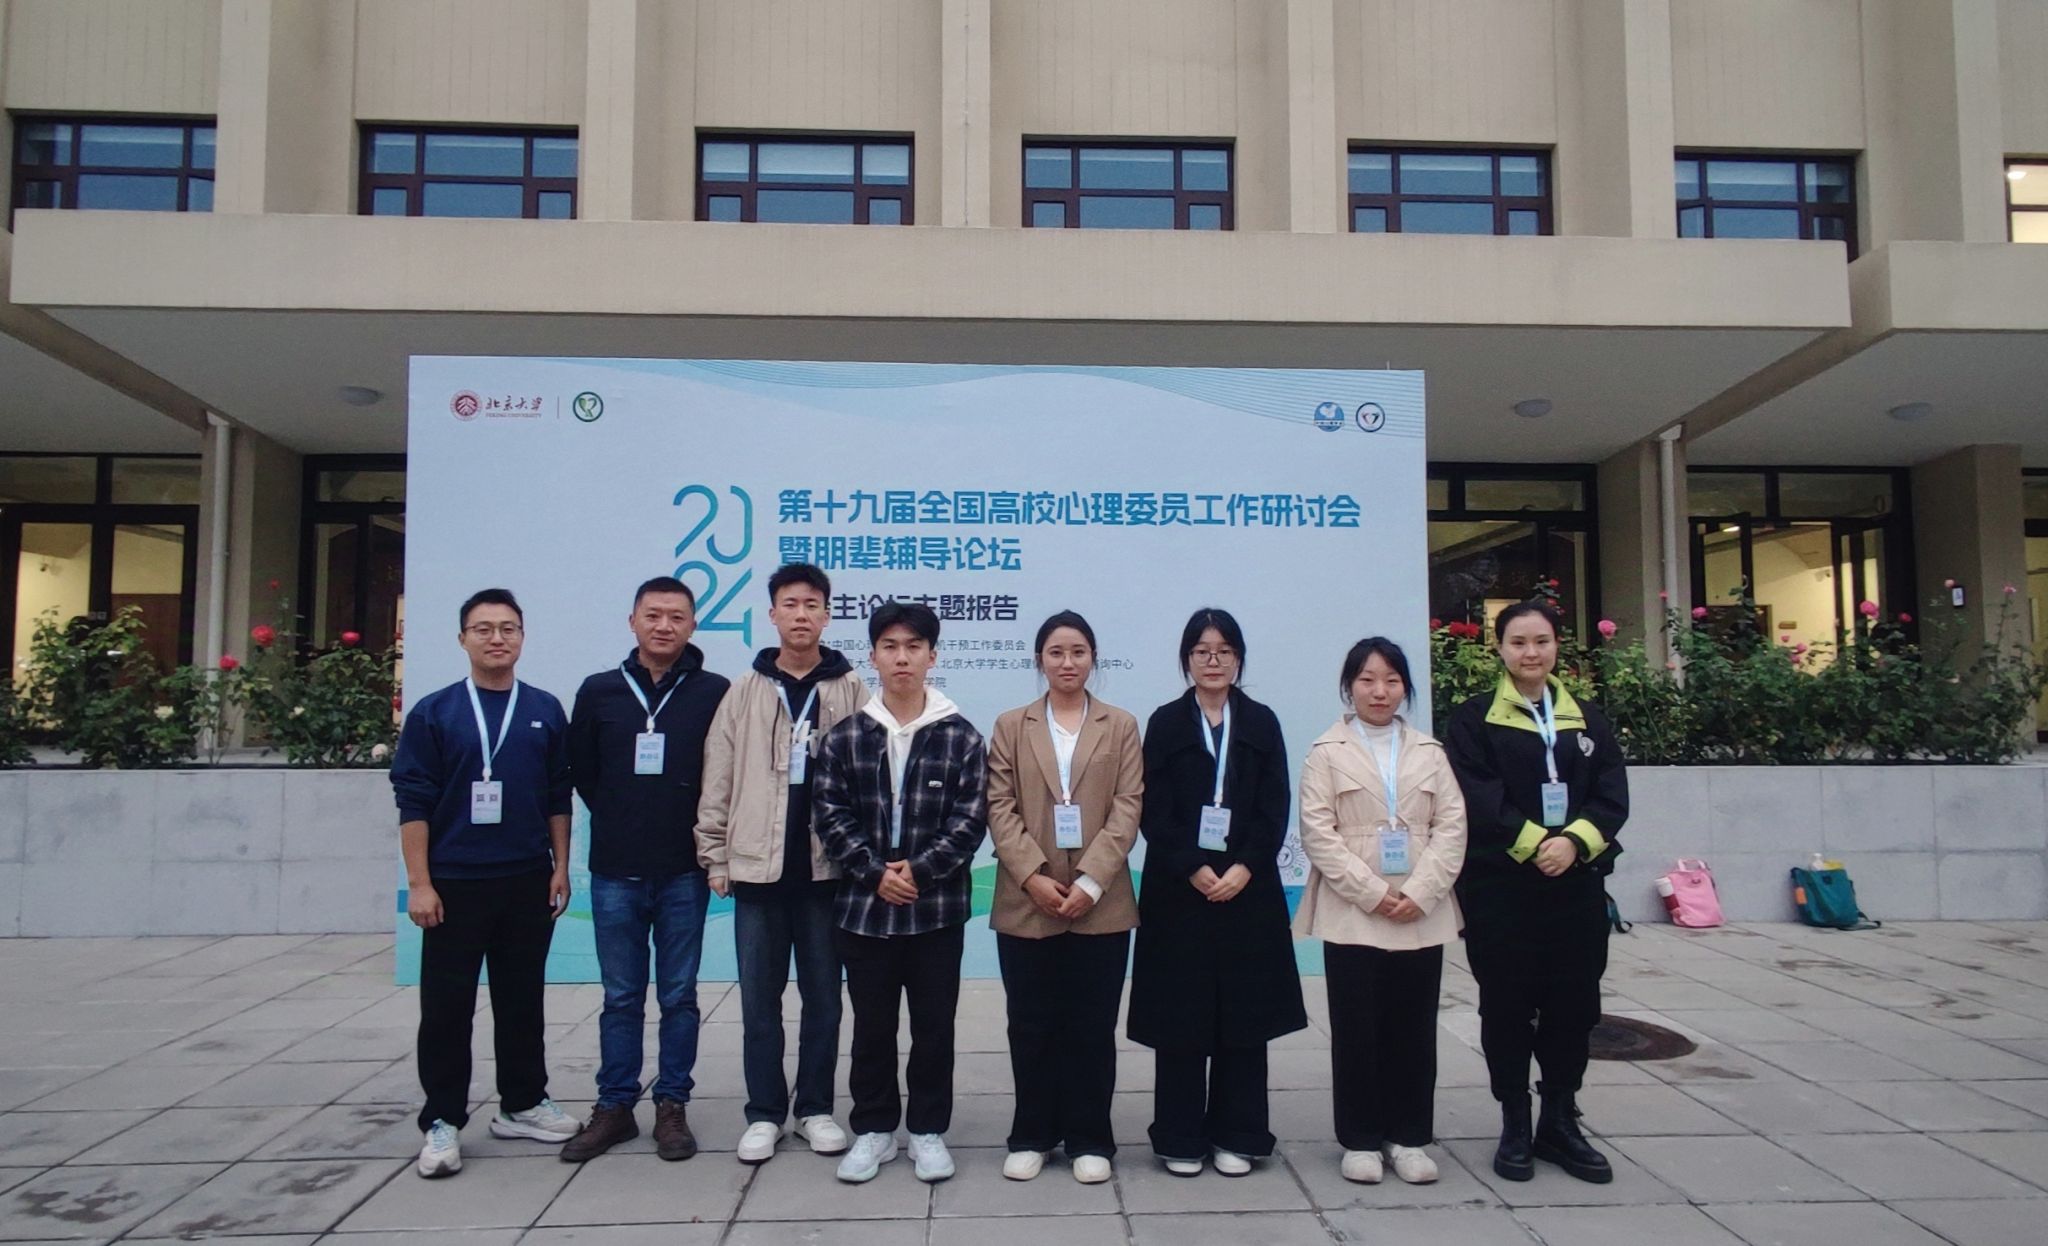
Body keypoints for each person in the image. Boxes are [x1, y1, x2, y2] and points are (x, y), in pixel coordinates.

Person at [392, 587, 579, 1179]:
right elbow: (413, 802)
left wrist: (560, 865)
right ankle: (443, 1119)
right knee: (446, 1008)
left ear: (522, 637)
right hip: (454, 882)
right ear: (463, 639)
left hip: (526, 878)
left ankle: (522, 1102)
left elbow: (558, 795)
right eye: (484, 629)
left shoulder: (544, 708)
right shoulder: (435, 712)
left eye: (508, 629)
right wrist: (420, 883)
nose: (497, 639)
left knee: (521, 1000)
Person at [1443, 600, 1628, 1185]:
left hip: (1575, 889)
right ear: (1499, 648)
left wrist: (1572, 843)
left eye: (1541, 641)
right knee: (1506, 1006)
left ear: (1556, 646)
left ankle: (1559, 1118)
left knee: (1574, 1006)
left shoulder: (1587, 720)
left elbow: (1611, 798)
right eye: (1519, 642)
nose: (1531, 653)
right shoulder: (1474, 719)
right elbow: (1476, 794)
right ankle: (1515, 1121)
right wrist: (1534, 843)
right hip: (1501, 891)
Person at [813, 601, 988, 1185]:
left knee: (934, 1027)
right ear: (873, 656)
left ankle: (928, 1130)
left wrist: (917, 871)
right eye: (890, 646)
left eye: (914, 647)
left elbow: (970, 820)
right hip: (864, 910)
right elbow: (830, 814)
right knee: (872, 1027)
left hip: (935, 910)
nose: (902, 658)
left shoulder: (961, 736)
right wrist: (874, 873)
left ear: (933, 656)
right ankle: (874, 1129)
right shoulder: (846, 737)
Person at [1127, 607, 1306, 1177]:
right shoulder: (1165, 722)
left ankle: (1239, 1133)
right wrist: (1192, 866)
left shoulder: (1261, 722)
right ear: (1187, 659)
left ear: (1238, 659)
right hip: (1180, 891)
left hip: (1247, 891)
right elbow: (1152, 807)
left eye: (1224, 651)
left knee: (1244, 1016)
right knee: (1181, 1016)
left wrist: (1247, 866)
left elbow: (1275, 804)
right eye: (1202, 651)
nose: (1213, 660)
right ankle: (1179, 1136)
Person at [696, 563, 864, 1165]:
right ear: (772, 615)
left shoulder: (851, 690)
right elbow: (718, 775)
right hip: (756, 873)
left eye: (812, 604)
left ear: (827, 615)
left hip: (827, 875)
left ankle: (815, 1109)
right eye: (790, 604)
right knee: (759, 1003)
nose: (801, 614)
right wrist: (714, 854)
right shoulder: (744, 691)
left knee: (825, 1001)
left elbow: (871, 778)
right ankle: (764, 1113)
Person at [558, 577, 731, 1163]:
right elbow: (582, 770)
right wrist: (621, 812)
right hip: (615, 870)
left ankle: (672, 1104)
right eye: (653, 615)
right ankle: (614, 1107)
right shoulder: (599, 691)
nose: (664, 626)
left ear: (693, 625)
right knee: (621, 995)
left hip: (685, 870)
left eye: (676, 617)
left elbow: (722, 773)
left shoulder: (715, 691)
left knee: (679, 995)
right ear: (632, 621)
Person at [1293, 637, 1466, 1185]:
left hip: (1420, 909)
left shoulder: (1429, 752)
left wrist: (1422, 891)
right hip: (1353, 910)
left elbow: (1453, 826)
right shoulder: (1326, 752)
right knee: (1356, 1028)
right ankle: (1361, 1140)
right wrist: (1372, 893)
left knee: (1413, 1027)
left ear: (1405, 689)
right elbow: (1318, 833)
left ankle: (1409, 1137)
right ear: (1350, 687)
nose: (1379, 691)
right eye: (1367, 680)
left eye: (1391, 680)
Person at [985, 611, 1144, 1185]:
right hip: (1027, 900)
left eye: (1078, 652)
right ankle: (1032, 1134)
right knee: (1030, 1024)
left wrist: (1091, 881)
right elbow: (998, 805)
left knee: (1092, 1026)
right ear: (1040, 660)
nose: (1067, 662)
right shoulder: (1012, 725)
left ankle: (1089, 1138)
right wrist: (1032, 875)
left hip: (1101, 903)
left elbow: (1128, 806)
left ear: (1093, 659)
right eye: (1056, 652)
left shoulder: (1119, 725)